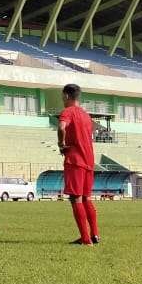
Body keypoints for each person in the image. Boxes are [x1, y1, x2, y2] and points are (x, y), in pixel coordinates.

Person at [57, 84, 99, 246]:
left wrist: (61, 143)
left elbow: (61, 127)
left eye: (62, 96)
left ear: (67, 96)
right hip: (89, 160)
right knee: (87, 197)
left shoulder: (68, 112)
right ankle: (94, 234)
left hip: (75, 160)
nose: (62, 99)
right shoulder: (86, 115)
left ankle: (85, 239)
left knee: (76, 198)